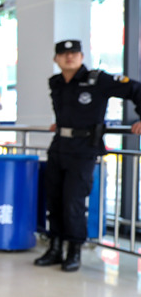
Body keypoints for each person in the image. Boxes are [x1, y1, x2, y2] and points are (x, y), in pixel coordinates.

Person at [35, 39, 141, 272]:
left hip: (83, 150)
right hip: (59, 147)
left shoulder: (98, 80)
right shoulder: (56, 82)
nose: (69, 57)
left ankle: (73, 252)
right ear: (56, 59)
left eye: (74, 53)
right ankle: (54, 248)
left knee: (73, 203)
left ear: (82, 56)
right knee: (53, 201)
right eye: (63, 54)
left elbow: (135, 89)